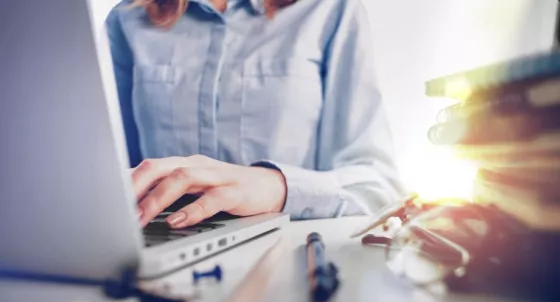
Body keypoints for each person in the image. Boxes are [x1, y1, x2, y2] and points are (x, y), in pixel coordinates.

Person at [106, 0, 404, 229]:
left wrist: (278, 186)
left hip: (287, 261)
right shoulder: (127, 19)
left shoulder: (330, 9)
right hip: (162, 248)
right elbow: (109, 173)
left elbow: (378, 186)